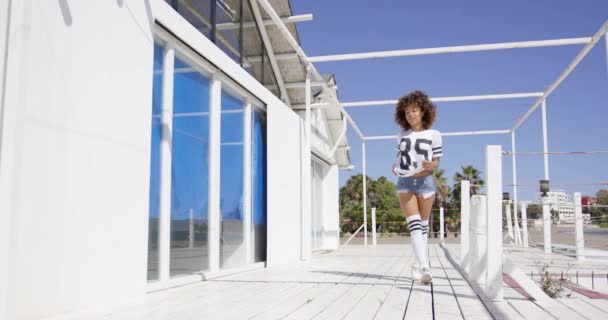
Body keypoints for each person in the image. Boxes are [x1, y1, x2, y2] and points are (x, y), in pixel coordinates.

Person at [392, 90, 442, 285]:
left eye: (414, 110)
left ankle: (416, 264)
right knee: (414, 227)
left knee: (422, 228)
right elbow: (398, 159)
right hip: (405, 182)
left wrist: (432, 165)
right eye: (407, 112)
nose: (410, 114)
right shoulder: (401, 135)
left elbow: (436, 161)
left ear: (423, 111)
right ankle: (425, 268)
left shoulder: (434, 135)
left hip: (426, 182)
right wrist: (395, 167)